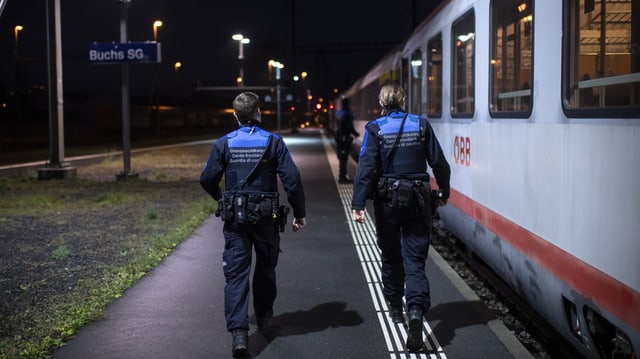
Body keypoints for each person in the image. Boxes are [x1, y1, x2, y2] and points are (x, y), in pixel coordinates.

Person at [200, 92, 307, 357]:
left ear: (235, 115)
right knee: (266, 265)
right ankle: (264, 314)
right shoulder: (274, 142)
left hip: (235, 219)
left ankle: (239, 336)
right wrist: (300, 214)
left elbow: (207, 179)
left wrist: (222, 198)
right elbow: (292, 181)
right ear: (258, 112)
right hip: (266, 218)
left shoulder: (224, 143)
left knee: (236, 272)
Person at [350, 83, 450, 352]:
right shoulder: (421, 125)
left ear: (382, 103)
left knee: (391, 255)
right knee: (415, 259)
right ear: (404, 100)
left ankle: (395, 308)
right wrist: (444, 191)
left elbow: (366, 168)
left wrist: (358, 203)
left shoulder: (375, 128)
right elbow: (439, 163)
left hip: (387, 203)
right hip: (418, 201)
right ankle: (415, 310)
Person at [335, 98, 359, 183]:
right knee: (344, 158)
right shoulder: (347, 114)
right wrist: (356, 134)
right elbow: (350, 127)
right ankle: (342, 177)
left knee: (341, 157)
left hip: (339, 138)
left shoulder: (338, 113)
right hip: (345, 139)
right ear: (348, 104)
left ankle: (342, 176)